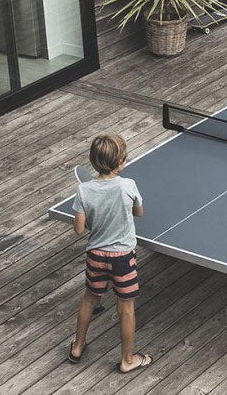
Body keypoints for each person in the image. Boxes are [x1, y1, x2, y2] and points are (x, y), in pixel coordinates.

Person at [68, 134, 151, 373]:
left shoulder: (83, 190)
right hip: (123, 258)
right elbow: (139, 212)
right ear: (121, 162)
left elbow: (79, 228)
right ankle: (128, 360)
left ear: (93, 161)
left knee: (89, 299)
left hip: (96, 256)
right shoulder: (129, 185)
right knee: (126, 308)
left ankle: (77, 346)